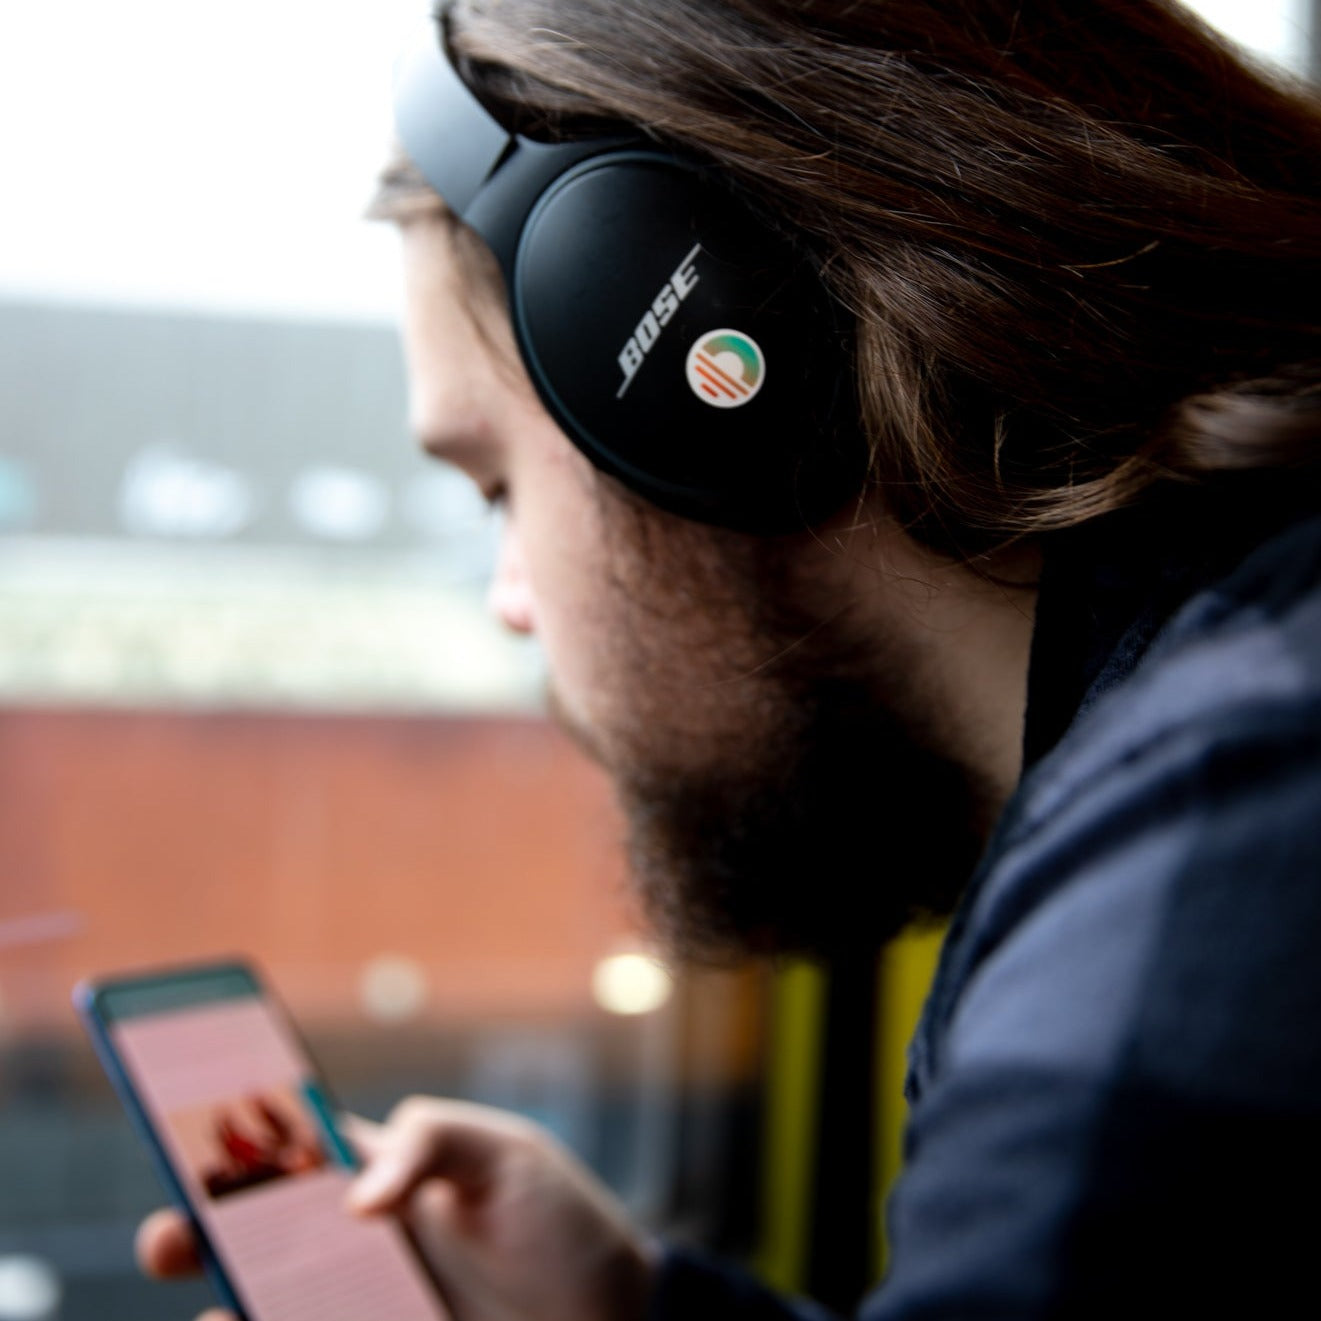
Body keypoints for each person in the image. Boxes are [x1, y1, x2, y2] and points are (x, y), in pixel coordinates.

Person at [137, 0, 1321, 1316]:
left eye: (493, 489)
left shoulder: (1225, 819)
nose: (511, 603)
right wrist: (631, 1307)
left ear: (668, 353)